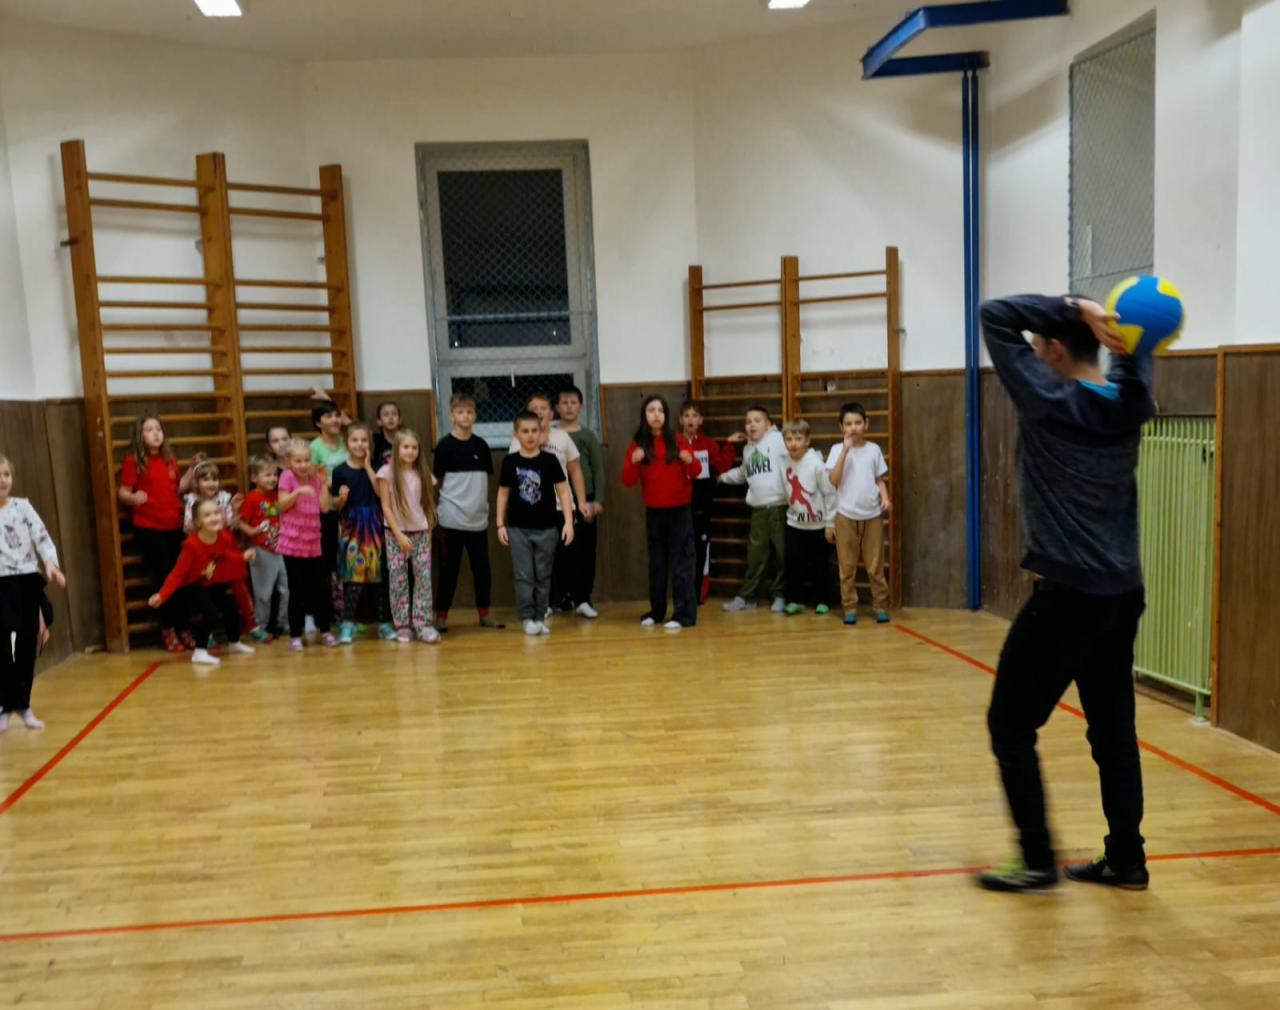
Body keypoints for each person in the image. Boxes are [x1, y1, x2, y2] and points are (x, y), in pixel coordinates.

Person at [974, 292, 1155, 893]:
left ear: (1054, 349)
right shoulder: (1131, 399)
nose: (1031, 355)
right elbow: (1133, 359)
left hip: (1068, 599)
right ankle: (1126, 860)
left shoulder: (1049, 398)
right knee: (1113, 731)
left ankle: (1035, 861)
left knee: (1009, 726)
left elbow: (994, 315)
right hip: (1121, 594)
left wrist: (1075, 307)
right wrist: (1129, 332)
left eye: (1037, 347)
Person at [117, 413, 199, 652]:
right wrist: (133, 498)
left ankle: (184, 628)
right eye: (149, 429)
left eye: (158, 429)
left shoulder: (169, 459)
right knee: (164, 578)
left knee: (181, 578)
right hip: (149, 528)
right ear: (139, 435)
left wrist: (191, 470)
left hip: (174, 526)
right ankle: (168, 629)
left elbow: (177, 487)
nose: (155, 433)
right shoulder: (133, 461)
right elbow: (123, 492)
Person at [621, 395, 701, 630]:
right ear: (644, 415)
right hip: (655, 512)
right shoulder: (638, 444)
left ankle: (684, 615)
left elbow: (696, 471)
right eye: (651, 410)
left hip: (679, 511)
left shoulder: (678, 440)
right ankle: (657, 612)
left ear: (666, 415)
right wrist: (633, 462)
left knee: (682, 563)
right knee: (657, 563)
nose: (656, 414)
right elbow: (627, 480)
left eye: (660, 410)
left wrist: (689, 460)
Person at [0, 454, 66, 731]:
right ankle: (5, 706)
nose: (2, 480)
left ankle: (23, 705)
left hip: (26, 581)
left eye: (6, 474)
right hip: (2, 584)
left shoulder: (23, 507)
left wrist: (50, 564)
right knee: (5, 647)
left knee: (27, 645)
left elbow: (42, 537)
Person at [149, 498, 256, 667]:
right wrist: (162, 595)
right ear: (198, 522)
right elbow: (178, 573)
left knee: (230, 607)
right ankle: (200, 651)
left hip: (209, 582)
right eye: (207, 515)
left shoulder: (224, 537)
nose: (214, 517)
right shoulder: (191, 545)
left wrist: (242, 556)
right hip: (193, 585)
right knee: (210, 614)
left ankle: (234, 642)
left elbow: (225, 554)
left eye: (216, 513)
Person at [497, 411, 574, 637]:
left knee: (543, 575)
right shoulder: (510, 462)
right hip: (518, 528)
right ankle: (526, 618)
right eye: (525, 431)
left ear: (541, 433)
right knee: (524, 575)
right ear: (516, 434)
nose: (530, 435)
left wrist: (568, 522)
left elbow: (564, 491)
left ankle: (540, 617)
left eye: (534, 431)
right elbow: (503, 494)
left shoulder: (550, 461)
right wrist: (500, 524)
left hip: (547, 528)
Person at [432, 393, 502, 632]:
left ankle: (485, 614)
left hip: (477, 521)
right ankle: (441, 617)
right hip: (450, 519)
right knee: (448, 571)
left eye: (470, 412)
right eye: (460, 412)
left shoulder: (481, 446)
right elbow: (437, 481)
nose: (465, 416)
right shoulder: (444, 445)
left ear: (475, 416)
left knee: (482, 570)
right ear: (452, 415)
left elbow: (483, 482)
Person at [826, 402, 892, 625]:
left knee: (875, 566)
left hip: (872, 516)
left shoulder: (873, 449)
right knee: (847, 567)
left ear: (866, 424)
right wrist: (845, 451)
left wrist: (885, 497)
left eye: (857, 422)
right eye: (848, 424)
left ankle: (880, 606)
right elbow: (833, 480)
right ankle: (849, 608)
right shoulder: (837, 450)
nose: (853, 427)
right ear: (841, 427)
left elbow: (878, 479)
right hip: (845, 516)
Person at [718, 405, 789, 612]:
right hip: (758, 509)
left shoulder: (777, 440)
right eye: (748, 422)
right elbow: (743, 473)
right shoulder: (748, 449)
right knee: (756, 556)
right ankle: (748, 597)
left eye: (757, 420)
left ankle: (781, 595)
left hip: (779, 507)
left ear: (769, 425)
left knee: (783, 554)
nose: (751, 425)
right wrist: (723, 476)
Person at [331, 423, 395, 644]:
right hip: (352, 528)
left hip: (374, 526)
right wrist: (341, 498)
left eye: (364, 440)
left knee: (378, 579)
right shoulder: (339, 471)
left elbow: (380, 492)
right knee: (354, 578)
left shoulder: (378, 468)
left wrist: (368, 466)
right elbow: (336, 505)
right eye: (354, 440)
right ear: (347, 443)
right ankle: (347, 624)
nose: (359, 444)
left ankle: (384, 624)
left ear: (370, 444)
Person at [378, 429, 441, 644]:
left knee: (423, 578)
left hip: (421, 532)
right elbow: (386, 507)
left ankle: (423, 624)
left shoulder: (423, 474)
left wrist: (428, 531)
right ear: (397, 449)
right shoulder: (386, 473)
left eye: (414, 447)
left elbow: (428, 505)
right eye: (406, 447)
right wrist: (398, 534)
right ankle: (403, 625)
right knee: (398, 579)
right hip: (395, 534)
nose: (410, 451)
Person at [552, 385, 604, 618]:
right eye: (564, 403)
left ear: (581, 406)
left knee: (585, 550)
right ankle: (561, 597)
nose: (569, 407)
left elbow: (598, 469)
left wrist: (598, 500)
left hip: (586, 498)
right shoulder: (552, 436)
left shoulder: (587, 436)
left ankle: (583, 597)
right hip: (558, 500)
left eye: (573, 402)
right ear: (556, 408)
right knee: (561, 549)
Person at [279, 437, 336, 650]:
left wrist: (323, 483)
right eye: (298, 461)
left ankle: (325, 630)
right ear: (289, 462)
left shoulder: (314, 478)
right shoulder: (287, 477)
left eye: (306, 460)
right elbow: (282, 505)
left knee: (321, 588)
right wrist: (297, 492)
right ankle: (296, 634)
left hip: (313, 542)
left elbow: (324, 508)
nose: (303, 465)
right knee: (297, 589)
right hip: (293, 543)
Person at [678, 400, 736, 604]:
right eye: (687, 415)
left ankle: (697, 592)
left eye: (695, 416)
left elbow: (721, 465)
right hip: (678, 503)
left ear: (701, 420)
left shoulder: (708, 444)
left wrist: (729, 445)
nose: (690, 419)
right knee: (681, 548)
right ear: (680, 420)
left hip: (702, 504)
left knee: (701, 548)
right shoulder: (674, 442)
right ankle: (682, 591)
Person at [779, 419, 837, 615]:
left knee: (820, 565)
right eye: (789, 439)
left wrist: (830, 522)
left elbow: (829, 493)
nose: (793, 443)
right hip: (794, 523)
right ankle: (796, 600)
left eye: (798, 439)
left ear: (807, 441)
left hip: (817, 525)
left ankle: (823, 600)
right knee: (793, 563)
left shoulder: (816, 464)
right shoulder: (783, 462)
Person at [240, 455, 288, 640]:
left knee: (287, 589)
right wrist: (252, 531)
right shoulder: (252, 498)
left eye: (274, 474)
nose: (272, 478)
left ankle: (283, 623)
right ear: (254, 478)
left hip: (281, 549)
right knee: (263, 593)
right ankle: (260, 625)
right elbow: (241, 522)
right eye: (267, 475)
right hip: (262, 551)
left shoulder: (277, 495)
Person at [309, 400, 348, 618]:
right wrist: (337, 484)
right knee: (330, 562)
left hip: (350, 509)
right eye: (328, 416)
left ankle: (347, 612)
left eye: (336, 415)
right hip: (327, 512)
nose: (334, 420)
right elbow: (314, 481)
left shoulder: (347, 441)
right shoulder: (314, 448)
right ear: (318, 423)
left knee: (349, 560)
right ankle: (331, 613)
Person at [371, 399, 401, 470]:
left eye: (394, 414)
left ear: (400, 420)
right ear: (379, 421)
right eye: (386, 414)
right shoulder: (374, 440)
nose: (390, 417)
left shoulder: (406, 439)